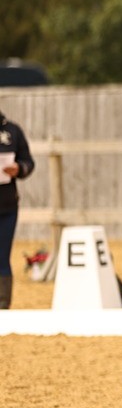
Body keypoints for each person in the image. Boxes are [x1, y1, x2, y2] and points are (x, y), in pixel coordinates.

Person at [0, 110, 36, 309]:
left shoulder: (13, 131)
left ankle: (2, 308)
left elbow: (29, 162)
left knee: (2, 256)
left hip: (6, 207)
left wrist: (19, 169)